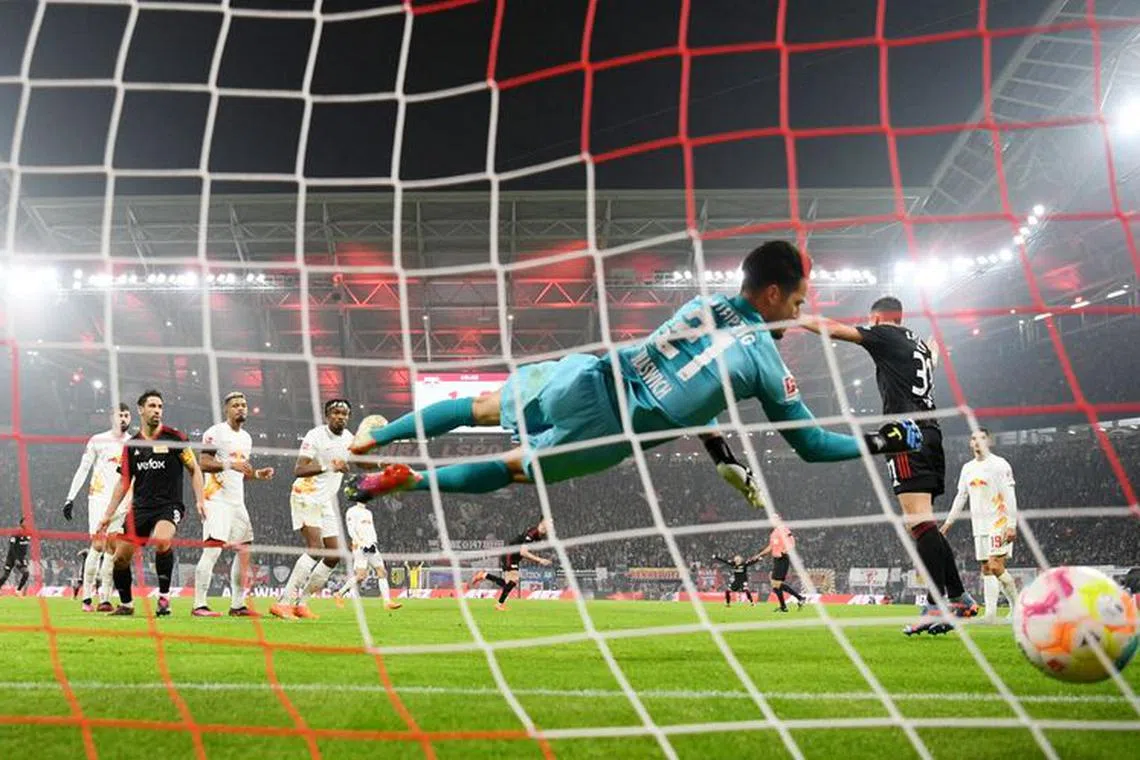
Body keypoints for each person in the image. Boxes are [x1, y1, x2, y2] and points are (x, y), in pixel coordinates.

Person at [345, 241, 921, 505]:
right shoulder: (767, 365)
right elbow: (813, 446)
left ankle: (376, 437)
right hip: (610, 427)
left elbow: (696, 386)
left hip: (585, 375)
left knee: (480, 408)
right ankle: (413, 481)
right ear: (771, 294)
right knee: (514, 470)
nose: (797, 315)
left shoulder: (701, 304)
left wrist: (720, 453)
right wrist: (883, 440)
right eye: (796, 303)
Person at [799, 297, 978, 633]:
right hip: (932, 433)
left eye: (872, 321)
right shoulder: (917, 345)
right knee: (924, 522)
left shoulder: (885, 334)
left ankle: (935, 605)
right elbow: (928, 367)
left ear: (878, 318)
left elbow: (836, 330)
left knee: (918, 522)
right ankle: (959, 597)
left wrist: (796, 316)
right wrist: (934, 355)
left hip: (905, 435)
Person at [98, 390, 205, 617]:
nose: (157, 410)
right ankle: (126, 604)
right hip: (139, 508)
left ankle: (164, 598)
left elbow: (194, 469)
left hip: (169, 505)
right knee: (120, 559)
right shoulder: (131, 445)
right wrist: (108, 514)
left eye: (160, 407)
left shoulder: (175, 438)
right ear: (141, 409)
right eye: (152, 406)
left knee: (162, 540)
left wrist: (200, 499)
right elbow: (123, 482)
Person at [192, 392, 275, 618]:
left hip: (237, 502)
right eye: (236, 405)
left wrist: (257, 474)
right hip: (216, 499)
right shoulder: (215, 432)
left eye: (244, 405)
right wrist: (231, 464)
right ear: (226, 409)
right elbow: (203, 463)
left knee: (244, 549)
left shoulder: (246, 438)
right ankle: (199, 604)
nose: (241, 408)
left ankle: (237, 605)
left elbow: (240, 472)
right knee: (213, 550)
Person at [270, 400, 354, 621]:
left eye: (345, 414)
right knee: (315, 548)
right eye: (336, 413)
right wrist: (329, 466)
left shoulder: (349, 438)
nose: (341, 417)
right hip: (305, 495)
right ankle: (283, 603)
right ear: (327, 416)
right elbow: (299, 469)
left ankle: (302, 603)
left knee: (334, 554)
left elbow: (358, 462)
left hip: (325, 501)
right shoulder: (315, 436)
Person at [942, 428, 1019, 621]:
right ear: (970, 443)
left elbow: (1010, 495)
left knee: (995, 565)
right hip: (979, 525)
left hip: (999, 521)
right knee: (986, 568)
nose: (978, 441)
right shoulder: (967, 468)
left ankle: (1018, 608)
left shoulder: (1000, 464)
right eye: (974, 438)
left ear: (989, 441)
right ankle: (991, 614)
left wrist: (1012, 524)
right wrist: (949, 522)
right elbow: (961, 496)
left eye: (982, 438)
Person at [62, 404, 132, 612]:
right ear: (111, 417)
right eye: (119, 415)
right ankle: (86, 598)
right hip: (99, 497)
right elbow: (83, 468)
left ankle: (105, 599)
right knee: (98, 545)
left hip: (122, 501)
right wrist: (70, 497)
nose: (123, 419)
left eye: (126, 415)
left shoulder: (134, 442)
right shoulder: (98, 440)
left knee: (112, 548)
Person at [469, 519, 552, 611]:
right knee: (513, 580)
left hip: (514, 557)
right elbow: (523, 552)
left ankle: (484, 575)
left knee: (508, 584)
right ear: (543, 522)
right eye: (550, 521)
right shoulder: (532, 533)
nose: (551, 524)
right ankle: (499, 604)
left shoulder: (539, 535)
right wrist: (539, 560)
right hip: (510, 555)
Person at [333, 502, 402, 610]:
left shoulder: (368, 512)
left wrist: (374, 542)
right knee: (361, 575)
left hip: (371, 546)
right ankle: (339, 594)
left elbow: (371, 529)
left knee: (382, 572)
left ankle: (387, 602)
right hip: (361, 546)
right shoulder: (352, 511)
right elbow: (351, 529)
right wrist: (359, 542)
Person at [750, 522, 805, 611]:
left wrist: (785, 550)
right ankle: (785, 605)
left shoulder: (783, 529)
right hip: (777, 560)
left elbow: (792, 541)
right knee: (775, 584)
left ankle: (799, 598)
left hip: (782, 559)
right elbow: (770, 547)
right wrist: (759, 555)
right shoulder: (773, 533)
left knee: (776, 584)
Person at [0, 518, 31, 595]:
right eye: (25, 522)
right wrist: (16, 559)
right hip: (11, 558)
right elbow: (12, 547)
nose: (27, 524)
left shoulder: (28, 534)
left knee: (26, 573)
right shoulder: (16, 533)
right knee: (5, 576)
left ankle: (18, 591)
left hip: (21, 558)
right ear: (21, 523)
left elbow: (25, 548)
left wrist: (26, 557)